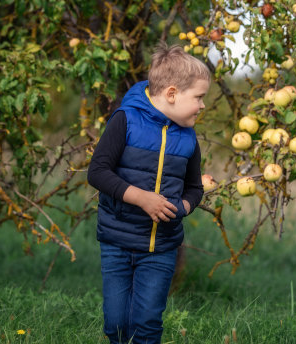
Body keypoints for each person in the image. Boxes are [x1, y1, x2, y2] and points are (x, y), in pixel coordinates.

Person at [87, 42, 209, 344]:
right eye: (199, 98)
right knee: (115, 323)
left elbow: (195, 188)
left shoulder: (189, 139)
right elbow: (98, 171)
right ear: (171, 94)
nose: (203, 106)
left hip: (162, 247)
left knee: (147, 322)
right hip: (117, 242)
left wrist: (183, 206)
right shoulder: (124, 120)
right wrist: (141, 197)